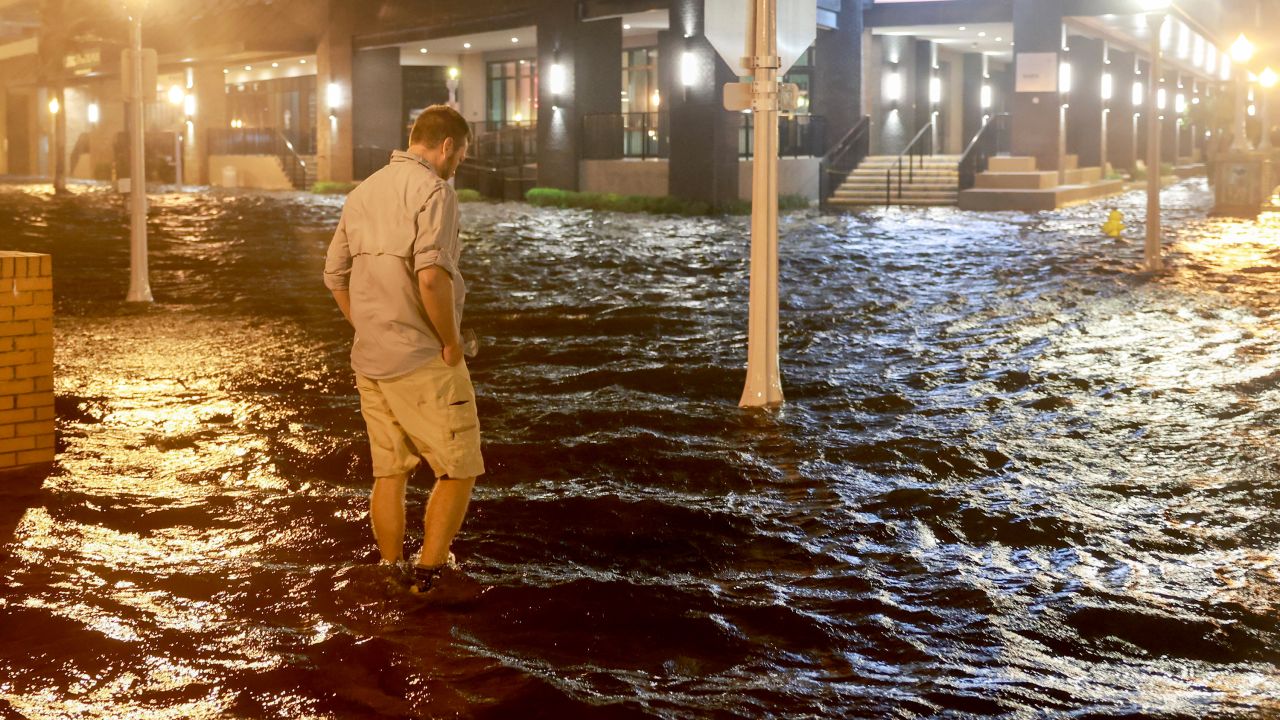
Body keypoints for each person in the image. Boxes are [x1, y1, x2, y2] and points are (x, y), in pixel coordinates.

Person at [323, 104, 483, 595]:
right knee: (458, 467)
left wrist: (368, 325)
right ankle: (429, 576)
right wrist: (452, 343)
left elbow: (334, 276)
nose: (458, 165)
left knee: (390, 472)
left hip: (371, 360)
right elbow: (432, 277)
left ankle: (390, 568)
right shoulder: (435, 192)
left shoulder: (362, 192)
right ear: (447, 146)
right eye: (461, 155)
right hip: (421, 360)